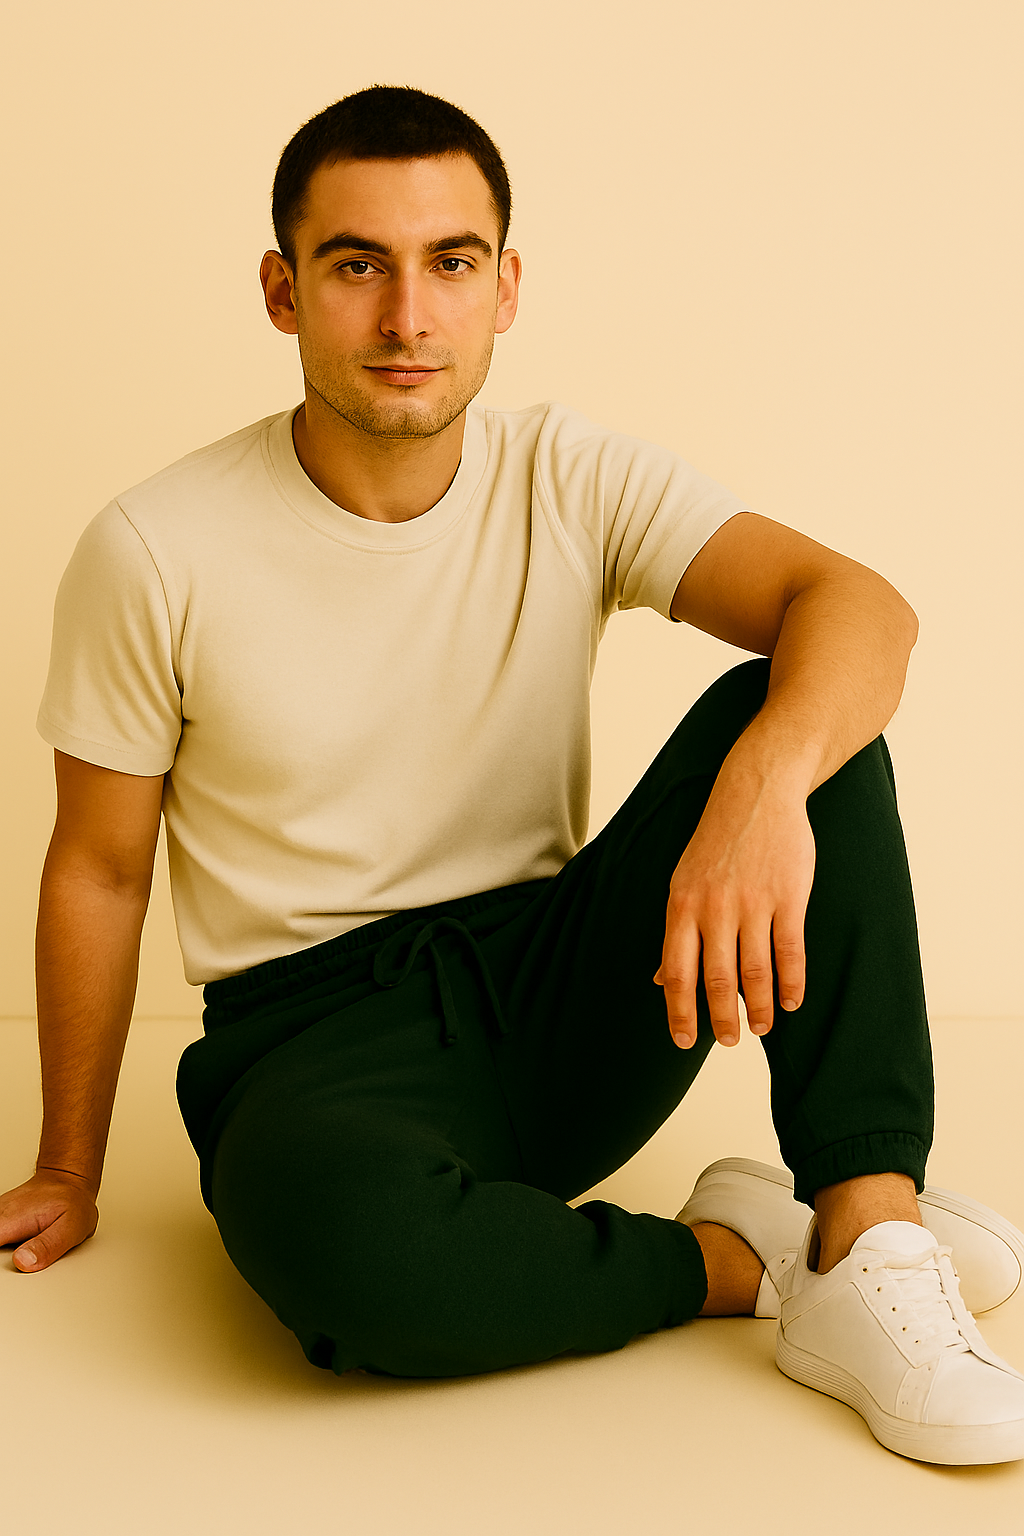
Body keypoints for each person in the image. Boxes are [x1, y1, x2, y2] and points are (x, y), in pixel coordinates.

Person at [2, 84, 1022, 1467]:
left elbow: (861, 607)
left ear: (507, 288)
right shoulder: (153, 547)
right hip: (306, 1046)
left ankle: (871, 1232)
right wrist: (71, 1168)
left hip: (557, 986)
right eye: (357, 264)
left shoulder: (567, 471)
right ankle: (749, 1265)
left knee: (802, 716)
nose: (408, 317)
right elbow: (102, 864)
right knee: (348, 1263)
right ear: (282, 290)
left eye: (451, 264)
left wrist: (762, 788)